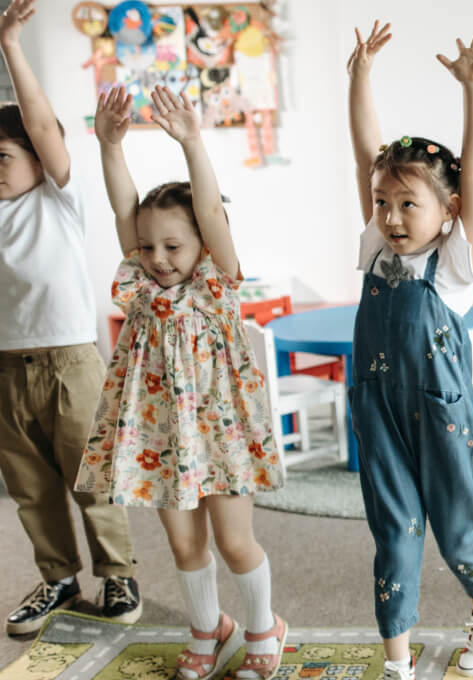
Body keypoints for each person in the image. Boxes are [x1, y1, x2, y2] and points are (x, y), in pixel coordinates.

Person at [75, 84, 285, 680]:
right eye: (149, 246)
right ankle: (208, 629)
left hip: (220, 432)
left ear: (202, 245)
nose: (158, 257)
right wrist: (109, 145)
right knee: (184, 546)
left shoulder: (216, 282)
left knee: (234, 542)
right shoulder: (141, 284)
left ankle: (263, 628)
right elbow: (124, 211)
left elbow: (211, 212)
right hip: (161, 436)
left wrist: (193, 141)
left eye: (173, 245)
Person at [345, 22, 473, 679]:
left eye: (407, 204)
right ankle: (397, 663)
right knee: (394, 533)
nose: (390, 216)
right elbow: (367, 154)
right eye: (382, 202)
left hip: (442, 414)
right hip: (379, 411)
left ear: (448, 210)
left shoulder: (455, 263)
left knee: (456, 530)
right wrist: (359, 77)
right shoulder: (375, 248)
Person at [0, 0, 140, 636]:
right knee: (29, 487)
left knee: (92, 478)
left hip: (70, 363)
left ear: (37, 155)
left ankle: (118, 574)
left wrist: (10, 46)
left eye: (4, 156)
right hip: (7, 370)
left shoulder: (58, 200)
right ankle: (57, 577)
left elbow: (40, 123)